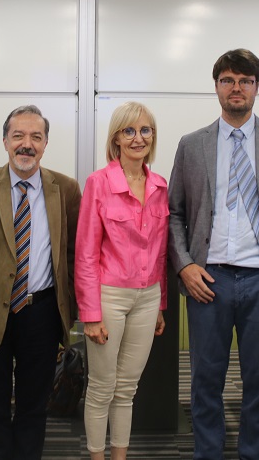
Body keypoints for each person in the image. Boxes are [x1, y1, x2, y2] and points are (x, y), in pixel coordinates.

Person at [168, 48, 259, 460]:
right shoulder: (192, 145)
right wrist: (185, 265)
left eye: (245, 81)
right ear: (216, 86)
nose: (236, 88)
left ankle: (253, 454)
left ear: (256, 87)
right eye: (228, 80)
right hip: (207, 279)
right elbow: (174, 214)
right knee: (205, 380)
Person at [0, 105, 82, 460]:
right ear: (5, 141)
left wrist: (69, 310)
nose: (27, 144)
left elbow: (74, 254)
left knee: (33, 406)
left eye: (36, 137)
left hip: (41, 312)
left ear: (46, 143)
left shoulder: (66, 189)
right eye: (18, 136)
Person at [75, 101, 169, 460]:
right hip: (109, 296)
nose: (138, 138)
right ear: (116, 138)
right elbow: (85, 253)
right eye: (129, 131)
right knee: (102, 387)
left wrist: (160, 305)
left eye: (145, 130)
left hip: (148, 297)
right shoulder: (98, 183)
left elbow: (160, 252)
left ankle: (119, 456)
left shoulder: (160, 185)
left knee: (127, 388)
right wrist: (90, 314)